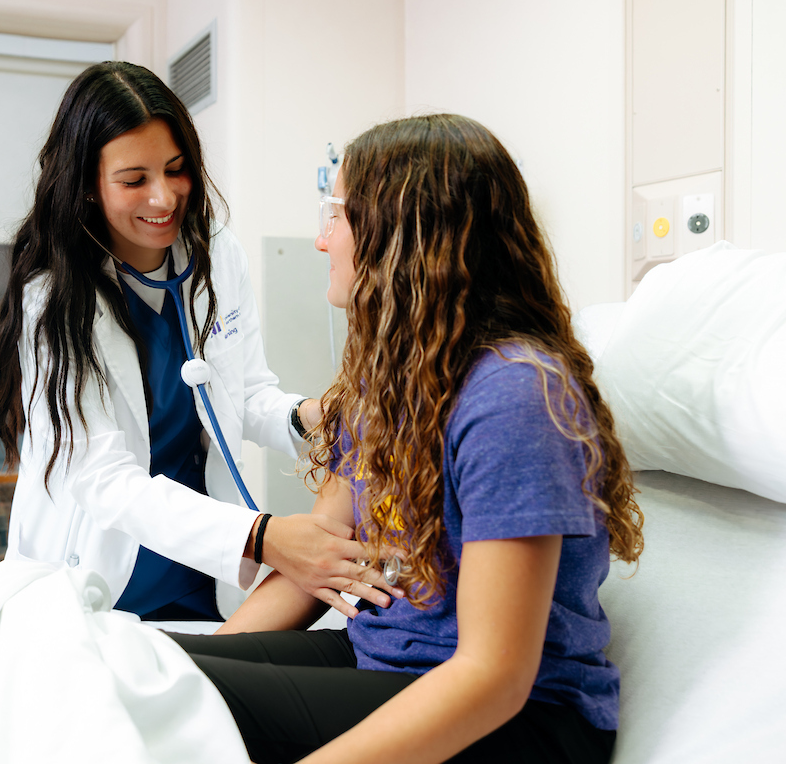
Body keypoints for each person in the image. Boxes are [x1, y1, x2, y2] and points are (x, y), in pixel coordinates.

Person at [170, 114, 646, 763]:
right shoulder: (391, 381)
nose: (319, 240)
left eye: (334, 215)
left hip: (525, 723)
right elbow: (324, 565)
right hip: (384, 663)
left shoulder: (515, 397)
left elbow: (493, 676)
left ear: (401, 233)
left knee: (148, 695)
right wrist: (171, 676)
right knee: (128, 666)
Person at [0, 61, 399, 621]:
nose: (163, 199)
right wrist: (263, 537)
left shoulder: (214, 254)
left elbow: (245, 394)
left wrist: (315, 416)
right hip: (98, 572)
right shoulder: (55, 299)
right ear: (86, 185)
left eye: (176, 170)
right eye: (134, 180)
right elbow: (102, 479)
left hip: (199, 568)